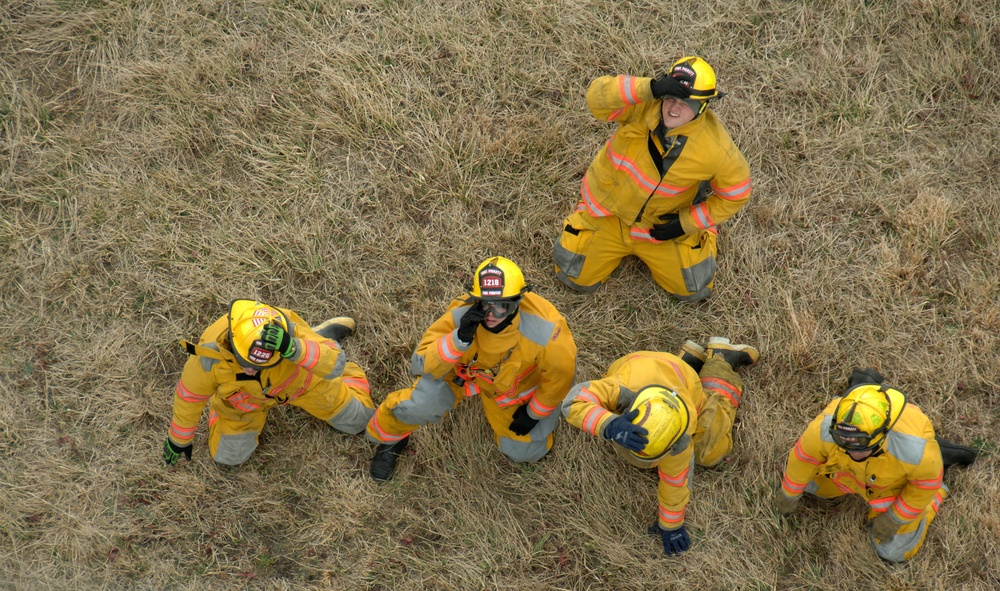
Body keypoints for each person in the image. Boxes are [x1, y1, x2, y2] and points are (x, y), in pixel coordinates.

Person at [553, 56, 752, 300]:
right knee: (572, 276)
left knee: (693, 290)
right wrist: (650, 88)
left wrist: (684, 224)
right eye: (670, 97)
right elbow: (596, 99)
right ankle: (586, 215)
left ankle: (705, 235)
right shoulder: (641, 104)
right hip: (609, 214)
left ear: (703, 106)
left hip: (659, 227)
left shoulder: (716, 149)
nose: (674, 107)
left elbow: (736, 194)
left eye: (685, 102)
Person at [366, 256, 577, 482]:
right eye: (485, 305)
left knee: (526, 452)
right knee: (417, 406)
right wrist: (459, 339)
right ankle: (391, 440)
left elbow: (560, 378)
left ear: (517, 301)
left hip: (509, 390)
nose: (491, 315)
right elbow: (421, 364)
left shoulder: (546, 332)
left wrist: (533, 413)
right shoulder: (461, 315)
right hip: (460, 375)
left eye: (502, 307)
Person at [561, 338, 759, 555]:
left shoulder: (681, 439)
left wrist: (671, 525)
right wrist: (609, 424)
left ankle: (721, 358)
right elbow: (575, 401)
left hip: (657, 370)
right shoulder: (622, 392)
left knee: (710, 451)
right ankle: (686, 364)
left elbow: (676, 481)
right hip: (651, 369)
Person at [775, 369, 979, 562]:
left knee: (894, 551)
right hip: (844, 472)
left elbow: (923, 486)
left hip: (889, 484)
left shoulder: (915, 452)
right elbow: (803, 459)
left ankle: (941, 461)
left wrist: (895, 519)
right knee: (811, 486)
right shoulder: (825, 428)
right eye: (844, 442)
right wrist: (788, 495)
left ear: (883, 434)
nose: (853, 452)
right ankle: (864, 390)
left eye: (861, 445)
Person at [163, 300, 374, 466]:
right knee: (227, 457)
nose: (250, 370)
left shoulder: (287, 327)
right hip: (246, 405)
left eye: (259, 366)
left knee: (361, 421)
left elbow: (335, 363)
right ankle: (222, 412)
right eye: (245, 362)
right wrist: (179, 439)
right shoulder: (208, 357)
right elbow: (189, 397)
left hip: (304, 385)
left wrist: (296, 349)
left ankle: (319, 345)